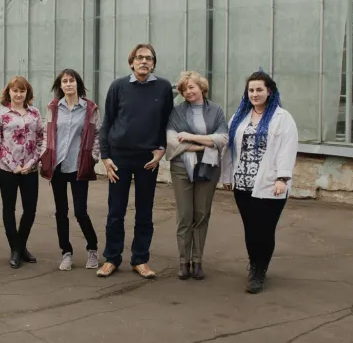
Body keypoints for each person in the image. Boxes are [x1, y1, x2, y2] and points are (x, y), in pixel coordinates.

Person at [97, 43, 175, 279]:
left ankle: (140, 260)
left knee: (144, 211)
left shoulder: (163, 87)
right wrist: (105, 157)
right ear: (131, 62)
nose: (144, 61)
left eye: (148, 58)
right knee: (116, 211)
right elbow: (107, 122)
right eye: (139, 58)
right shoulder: (118, 86)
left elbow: (167, 122)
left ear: (153, 63)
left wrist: (161, 149)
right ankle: (111, 258)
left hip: (147, 159)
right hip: (119, 158)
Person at [220, 70, 298, 293]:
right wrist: (227, 176)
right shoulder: (240, 116)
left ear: (269, 91)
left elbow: (287, 148)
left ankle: (259, 271)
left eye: (259, 90)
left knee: (265, 229)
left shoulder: (282, 118)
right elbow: (230, 149)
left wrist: (282, 178)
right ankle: (254, 264)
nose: (254, 94)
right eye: (251, 90)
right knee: (250, 229)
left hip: (270, 184)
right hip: (243, 184)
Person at [165, 71, 228, 281]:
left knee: (201, 214)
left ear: (202, 87)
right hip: (181, 168)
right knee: (185, 215)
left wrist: (191, 138)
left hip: (209, 168)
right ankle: (184, 262)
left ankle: (197, 261)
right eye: (183, 89)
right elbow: (172, 141)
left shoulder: (216, 110)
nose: (188, 92)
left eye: (191, 87)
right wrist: (204, 144)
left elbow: (223, 138)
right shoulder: (176, 112)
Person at [41, 69, 101, 271]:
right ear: (60, 86)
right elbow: (47, 134)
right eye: (64, 81)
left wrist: (93, 157)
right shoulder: (53, 107)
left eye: (71, 80)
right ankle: (66, 252)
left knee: (80, 212)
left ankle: (92, 249)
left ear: (78, 84)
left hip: (78, 166)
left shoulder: (90, 108)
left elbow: (97, 135)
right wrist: (44, 156)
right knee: (61, 212)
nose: (68, 84)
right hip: (57, 166)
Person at [0, 76, 46, 269]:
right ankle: (14, 248)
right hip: (7, 169)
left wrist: (31, 163)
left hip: (30, 169)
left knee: (30, 209)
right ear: (9, 92)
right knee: (9, 208)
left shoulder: (35, 112)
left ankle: (21, 246)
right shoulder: (0, 113)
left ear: (27, 93)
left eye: (22, 91)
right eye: (15, 90)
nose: (18, 94)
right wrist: (14, 165)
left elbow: (41, 139)